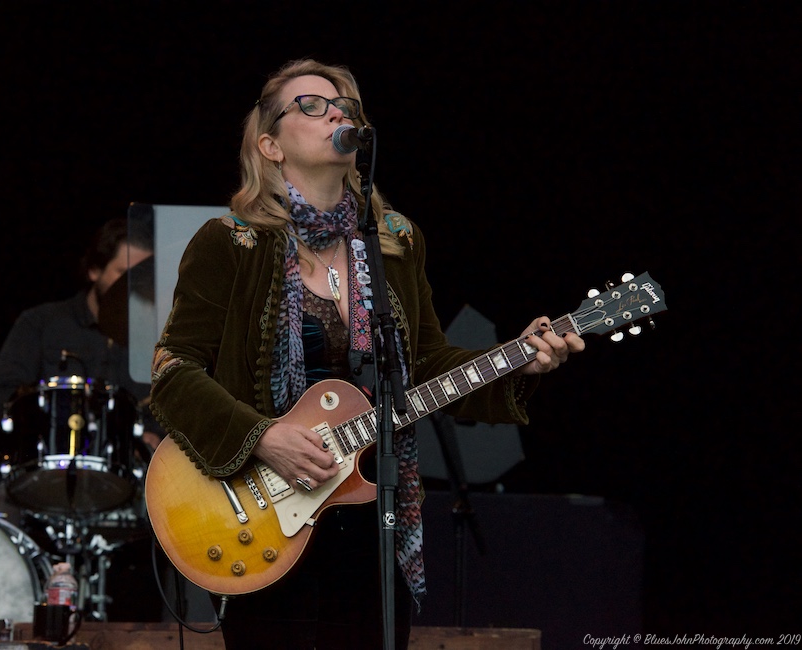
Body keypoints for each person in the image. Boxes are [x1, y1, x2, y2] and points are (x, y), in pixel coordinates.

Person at [146, 59, 586, 649]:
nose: (336, 112)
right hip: (264, 508)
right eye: (310, 104)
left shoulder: (395, 241)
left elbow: (425, 367)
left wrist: (517, 362)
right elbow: (172, 370)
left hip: (371, 515)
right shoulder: (232, 242)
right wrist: (262, 436)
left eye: (345, 105)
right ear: (270, 144)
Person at [0, 217, 163, 622]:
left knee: (191, 526)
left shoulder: (163, 337)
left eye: (144, 276)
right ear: (95, 270)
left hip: (134, 476)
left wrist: (155, 437)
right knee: (0, 515)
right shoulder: (42, 323)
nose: (134, 285)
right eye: (124, 274)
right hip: (45, 473)